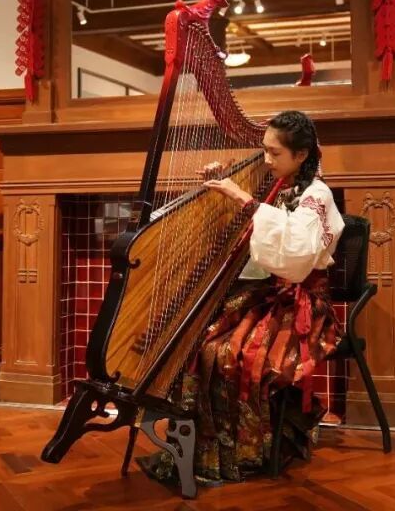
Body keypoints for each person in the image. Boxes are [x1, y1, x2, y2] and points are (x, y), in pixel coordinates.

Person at [138, 110, 345, 486]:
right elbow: (259, 231)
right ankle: (200, 451)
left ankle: (247, 451)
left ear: (300, 155)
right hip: (269, 295)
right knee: (196, 341)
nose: (266, 160)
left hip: (302, 303)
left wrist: (240, 196)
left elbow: (295, 256)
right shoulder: (278, 183)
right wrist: (222, 181)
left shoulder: (317, 195)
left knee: (225, 353)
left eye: (275, 153)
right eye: (263, 150)